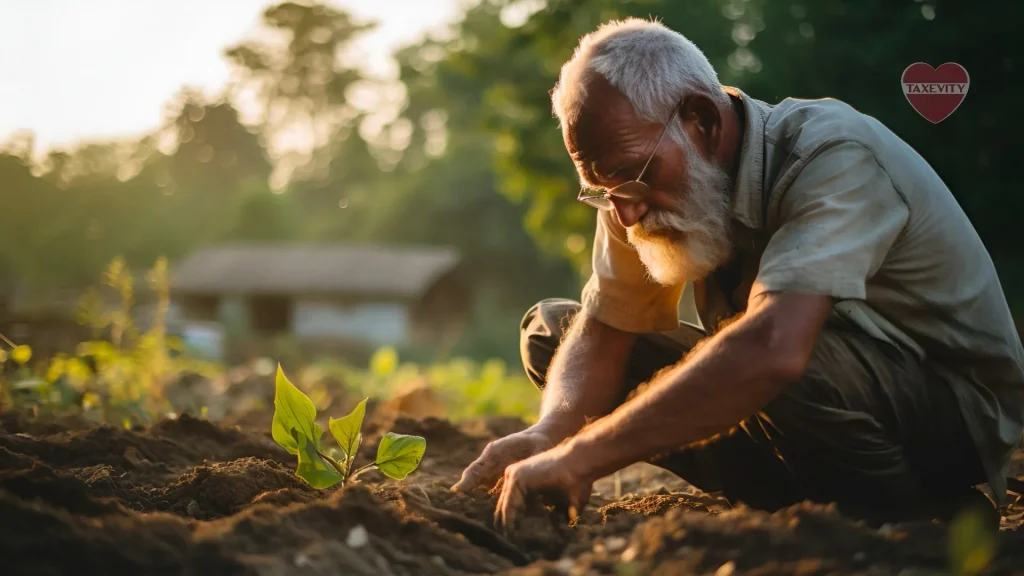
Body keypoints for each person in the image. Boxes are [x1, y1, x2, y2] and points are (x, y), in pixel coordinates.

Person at [450, 18, 1024, 530]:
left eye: (628, 177)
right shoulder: (638, 187)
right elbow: (605, 332)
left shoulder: (832, 156)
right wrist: (550, 434)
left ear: (701, 120)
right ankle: (801, 499)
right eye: (602, 191)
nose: (623, 212)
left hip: (949, 414)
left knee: (780, 358)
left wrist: (585, 456)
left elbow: (776, 348)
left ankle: (915, 517)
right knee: (555, 329)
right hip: (804, 404)